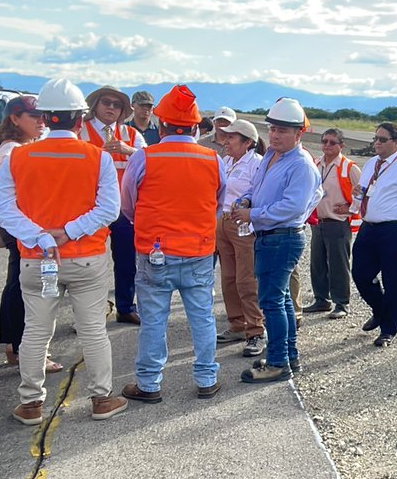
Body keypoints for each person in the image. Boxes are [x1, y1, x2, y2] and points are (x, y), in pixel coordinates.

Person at [0, 78, 127, 424]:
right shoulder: (98, 158)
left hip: (37, 259)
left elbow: (3, 209)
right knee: (93, 330)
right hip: (86, 258)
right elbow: (108, 209)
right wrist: (68, 232)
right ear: (80, 119)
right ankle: (101, 399)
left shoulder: (18, 156)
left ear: (45, 117)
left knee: (36, 331)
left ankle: (31, 403)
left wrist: (41, 237)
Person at [120, 85, 225, 403]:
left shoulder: (144, 157)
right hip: (199, 252)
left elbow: (128, 205)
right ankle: (207, 379)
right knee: (202, 317)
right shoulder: (213, 160)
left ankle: (149, 384)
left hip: (155, 252)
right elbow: (217, 203)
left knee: (153, 321)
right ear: (195, 128)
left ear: (161, 125)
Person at [231, 98, 321, 383]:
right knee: (280, 300)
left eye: (282, 130)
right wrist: (247, 200)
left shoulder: (301, 165)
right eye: (272, 129)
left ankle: (279, 362)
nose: (275, 135)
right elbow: (258, 188)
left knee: (271, 302)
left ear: (299, 133)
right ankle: (287, 355)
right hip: (271, 237)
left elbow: (292, 207)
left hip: (283, 238)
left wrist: (252, 213)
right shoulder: (272, 155)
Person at [0, 95, 63, 373]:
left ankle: (17, 346)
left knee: (17, 284)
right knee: (22, 287)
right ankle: (24, 348)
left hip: (24, 223)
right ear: (15, 119)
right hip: (22, 224)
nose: (41, 121)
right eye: (34, 116)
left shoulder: (22, 146)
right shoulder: (13, 150)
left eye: (43, 116)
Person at [351, 122, 397, 347]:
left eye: (382, 139)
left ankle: (388, 329)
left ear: (396, 142)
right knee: (360, 274)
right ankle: (380, 309)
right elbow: (364, 192)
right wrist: (355, 199)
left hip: (393, 229)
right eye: (375, 138)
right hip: (368, 227)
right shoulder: (372, 163)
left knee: (394, 281)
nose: (377, 143)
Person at [82, 85, 146, 325]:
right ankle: (89, 314)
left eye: (116, 104)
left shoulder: (131, 134)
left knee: (127, 261)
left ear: (123, 111)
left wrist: (128, 150)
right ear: (95, 105)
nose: (111, 107)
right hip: (89, 207)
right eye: (106, 102)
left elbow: (150, 161)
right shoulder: (81, 131)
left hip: (123, 207)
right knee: (88, 263)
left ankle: (126, 307)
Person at [214, 118, 266, 358]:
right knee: (228, 277)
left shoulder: (257, 164)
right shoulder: (225, 161)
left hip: (242, 224)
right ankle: (237, 324)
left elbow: (260, 194)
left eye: (231, 137)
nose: (226, 141)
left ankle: (256, 330)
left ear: (247, 142)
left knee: (246, 279)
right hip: (223, 222)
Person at [305, 128, 361, 320]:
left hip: (337, 223)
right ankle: (321, 299)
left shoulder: (349, 167)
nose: (327, 145)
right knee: (317, 263)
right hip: (317, 222)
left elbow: (364, 192)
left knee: (338, 264)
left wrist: (351, 208)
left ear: (341, 145)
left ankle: (341, 303)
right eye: (324, 141)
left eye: (332, 142)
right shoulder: (316, 164)